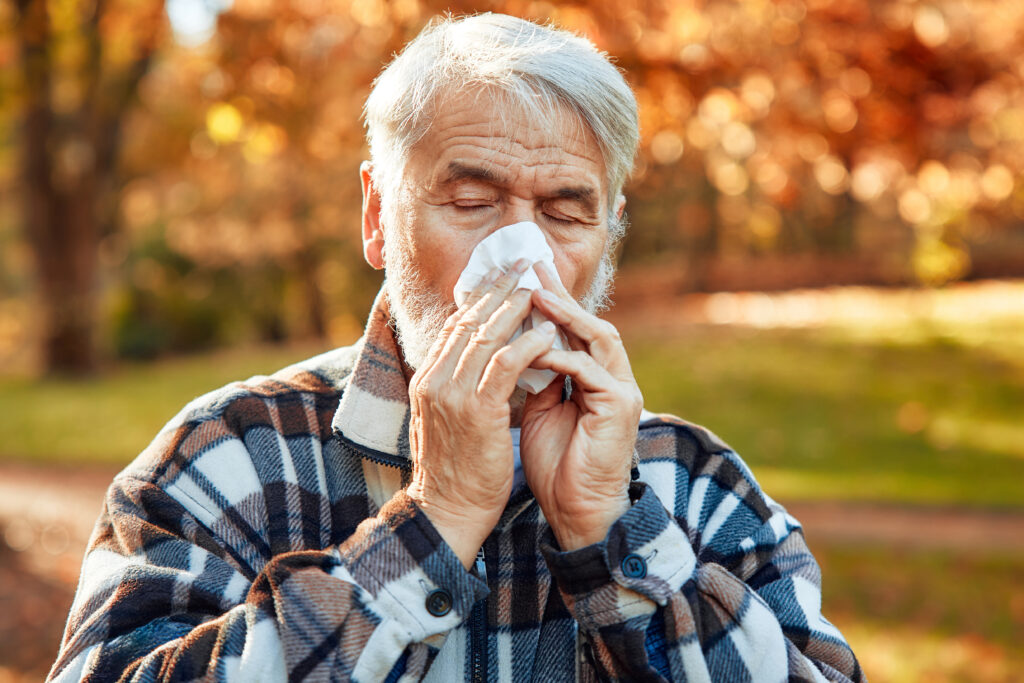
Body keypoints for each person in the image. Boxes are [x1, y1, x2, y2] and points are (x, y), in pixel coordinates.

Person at [49, 13, 864, 682]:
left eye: (566, 213)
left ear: (608, 241)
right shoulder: (229, 459)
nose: (520, 255)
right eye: (471, 199)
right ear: (377, 215)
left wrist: (616, 535)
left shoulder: (696, 484)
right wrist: (432, 526)